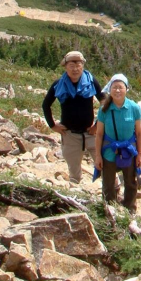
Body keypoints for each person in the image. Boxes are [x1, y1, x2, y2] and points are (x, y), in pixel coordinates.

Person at [42, 50, 103, 183]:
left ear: (83, 66)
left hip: (90, 133)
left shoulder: (91, 81)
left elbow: (105, 103)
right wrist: (53, 125)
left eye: (78, 65)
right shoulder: (58, 84)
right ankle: (75, 195)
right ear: (66, 67)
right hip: (69, 134)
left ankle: (113, 194)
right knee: (74, 173)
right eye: (71, 66)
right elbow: (46, 105)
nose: (75, 69)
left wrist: (98, 125)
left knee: (103, 164)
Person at [94, 74, 141, 213]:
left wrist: (139, 154)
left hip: (128, 151)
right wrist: (98, 155)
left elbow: (139, 133)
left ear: (126, 89)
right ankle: (109, 210)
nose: (117, 90)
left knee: (130, 183)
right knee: (108, 184)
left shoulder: (134, 107)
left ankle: (130, 211)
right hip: (109, 150)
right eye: (114, 87)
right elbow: (99, 134)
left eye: (120, 87)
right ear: (110, 89)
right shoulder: (104, 109)